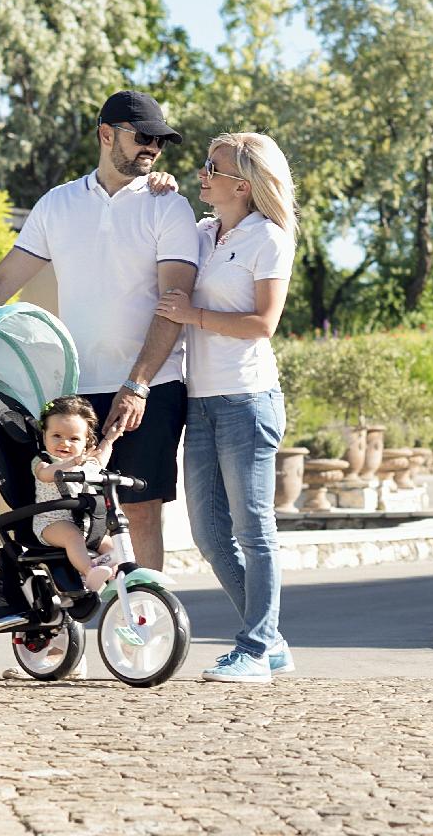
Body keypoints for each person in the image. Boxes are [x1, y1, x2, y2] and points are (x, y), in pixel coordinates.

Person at [0, 88, 199, 571]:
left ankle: (146, 628)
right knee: (77, 516)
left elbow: (173, 304)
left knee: (141, 513)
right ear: (107, 134)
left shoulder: (169, 207)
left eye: (160, 142)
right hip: (77, 392)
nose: (153, 148)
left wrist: (137, 384)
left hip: (151, 385)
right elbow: (3, 280)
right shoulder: (57, 205)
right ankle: (88, 616)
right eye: (143, 137)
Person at [154, 132, 297, 683]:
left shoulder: (268, 238)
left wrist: (193, 317)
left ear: (242, 184)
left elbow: (264, 324)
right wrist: (160, 189)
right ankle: (272, 640)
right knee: (210, 535)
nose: (201, 174)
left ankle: (256, 649)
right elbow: (163, 239)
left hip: (247, 401)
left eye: (211, 168)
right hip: (202, 402)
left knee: (253, 530)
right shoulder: (205, 232)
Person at [30, 397, 122, 592]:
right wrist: (71, 463)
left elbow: (100, 459)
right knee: (73, 537)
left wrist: (110, 439)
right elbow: (46, 475)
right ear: (44, 435)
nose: (64, 443)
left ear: (85, 442)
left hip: (87, 525)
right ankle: (89, 571)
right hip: (52, 523)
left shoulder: (86, 464)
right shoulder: (43, 461)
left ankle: (113, 578)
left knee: (113, 547)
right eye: (56, 435)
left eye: (74, 439)